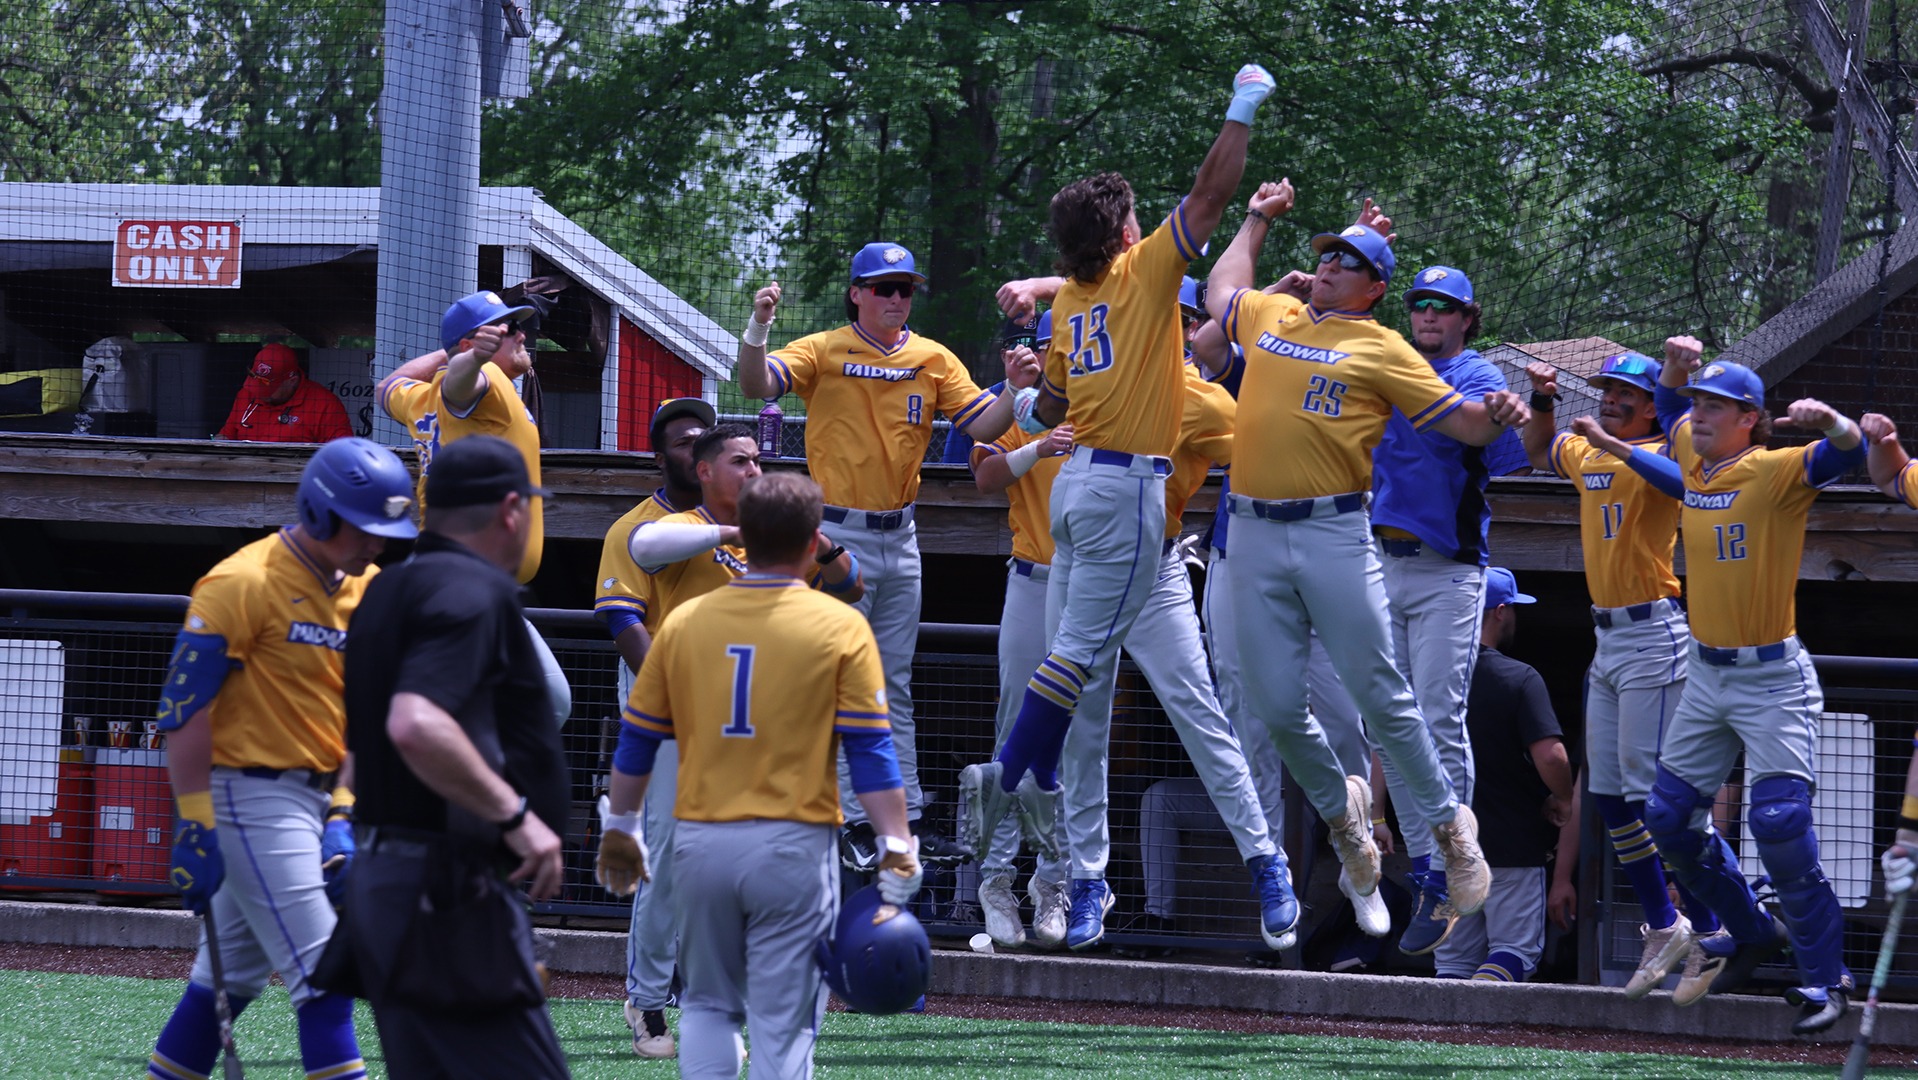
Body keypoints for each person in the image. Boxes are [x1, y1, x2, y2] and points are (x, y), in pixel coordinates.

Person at [969, 63, 1278, 878]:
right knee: (1078, 673)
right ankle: (1007, 790)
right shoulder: (1139, 279)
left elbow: (1049, 404)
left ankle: (1067, 854)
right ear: (1123, 240)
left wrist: (1024, 403)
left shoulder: (1076, 300)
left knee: (1100, 685)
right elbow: (1208, 195)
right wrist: (1240, 102)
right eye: (1138, 220)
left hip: (1085, 503)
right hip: (1124, 502)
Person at [1203, 180, 1526, 936]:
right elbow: (1223, 286)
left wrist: (1508, 409)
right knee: (1278, 708)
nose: (1329, 266)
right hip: (1248, 534)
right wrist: (1254, 220)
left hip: (1334, 533)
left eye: (1348, 261)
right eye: (1327, 255)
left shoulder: (1383, 347)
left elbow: (1471, 426)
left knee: (1384, 697)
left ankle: (1449, 834)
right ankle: (1350, 828)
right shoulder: (1276, 313)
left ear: (1376, 288)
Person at [597, 471, 922, 1080]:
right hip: (793, 845)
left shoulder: (686, 623)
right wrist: (896, 843)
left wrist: (620, 825)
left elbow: (639, 738)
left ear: (743, 536)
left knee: (707, 1009)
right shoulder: (840, 626)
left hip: (701, 842)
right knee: (785, 1022)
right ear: (812, 542)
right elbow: (872, 752)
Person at [1584, 349, 1864, 1034]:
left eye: (1716, 407)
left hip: (1772, 679)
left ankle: (1827, 978)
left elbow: (1846, 455)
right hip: (1708, 675)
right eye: (1698, 404)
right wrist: (1671, 382)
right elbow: (1674, 434)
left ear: (1750, 420)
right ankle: (1747, 928)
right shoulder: (1693, 462)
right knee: (1667, 820)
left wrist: (1833, 421)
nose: (1698, 415)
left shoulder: (1774, 471)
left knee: (1778, 825)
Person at [733, 247, 1037, 866]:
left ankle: (904, 820)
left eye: (905, 289)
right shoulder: (822, 348)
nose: (897, 299)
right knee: (831, 679)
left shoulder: (932, 357)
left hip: (903, 536)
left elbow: (983, 427)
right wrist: (759, 327)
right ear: (857, 294)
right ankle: (839, 817)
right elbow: (755, 384)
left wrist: (1014, 387)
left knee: (891, 684)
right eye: (884, 288)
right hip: (834, 536)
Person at [145, 437, 414, 1080]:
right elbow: (183, 710)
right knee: (326, 976)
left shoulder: (368, 589)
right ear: (321, 513)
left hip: (317, 796)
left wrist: (343, 811)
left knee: (225, 983)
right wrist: (196, 819)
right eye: (364, 528)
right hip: (248, 797)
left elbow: (362, 714)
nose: (376, 543)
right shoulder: (242, 581)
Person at [340, 435, 571, 1078]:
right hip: (443, 894)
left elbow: (360, 742)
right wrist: (517, 817)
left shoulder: (382, 592)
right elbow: (414, 723)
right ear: (509, 510)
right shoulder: (473, 591)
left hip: (392, 883)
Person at [1521, 345, 1721, 1000]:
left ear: (1648, 402)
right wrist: (1545, 399)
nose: (1610, 398)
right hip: (1606, 638)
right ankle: (1666, 925)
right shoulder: (1590, 450)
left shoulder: (1668, 446)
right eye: (1606, 389)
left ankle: (1715, 926)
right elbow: (1537, 450)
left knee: (1654, 799)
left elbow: (1690, 487)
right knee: (1605, 796)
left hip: (1655, 632)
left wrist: (1618, 434)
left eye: (1624, 391)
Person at [1363, 265, 1523, 955]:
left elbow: (1506, 441)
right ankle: (1431, 868)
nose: (1427, 314)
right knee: (1388, 720)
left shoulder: (1477, 375)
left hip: (1447, 570)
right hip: (1374, 562)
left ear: (1466, 316)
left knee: (1436, 712)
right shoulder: (1389, 361)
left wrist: (1516, 412)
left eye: (1443, 306)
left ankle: (1449, 861)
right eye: (1418, 304)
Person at [380, 289, 572, 724]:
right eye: (509, 329)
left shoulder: (420, 397)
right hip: (457, 580)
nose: (521, 335)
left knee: (546, 701)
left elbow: (385, 386)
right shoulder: (488, 384)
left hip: (464, 579)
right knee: (478, 709)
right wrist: (468, 358)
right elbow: (462, 385)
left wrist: (453, 351)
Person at [591, 396, 714, 1058]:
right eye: (680, 440)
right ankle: (647, 1004)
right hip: (664, 710)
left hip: (739, 717)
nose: (693, 448)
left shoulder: (741, 523)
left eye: (703, 438)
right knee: (665, 857)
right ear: (658, 454)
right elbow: (622, 622)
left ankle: (707, 995)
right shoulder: (634, 527)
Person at [1431, 568, 1579, 982]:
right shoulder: (1519, 678)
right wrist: (1564, 799)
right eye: (1513, 610)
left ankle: (1447, 1044)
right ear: (1500, 612)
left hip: (1448, 846)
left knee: (1453, 963)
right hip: (1511, 847)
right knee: (1513, 952)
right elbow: (1552, 756)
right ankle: (1489, 1042)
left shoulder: (1427, 678)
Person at [215, 343, 353, 443]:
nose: (260, 393)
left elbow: (343, 454)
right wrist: (217, 443)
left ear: (292, 381)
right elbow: (226, 435)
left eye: (268, 388)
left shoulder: (324, 404)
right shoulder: (246, 394)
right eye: (257, 385)